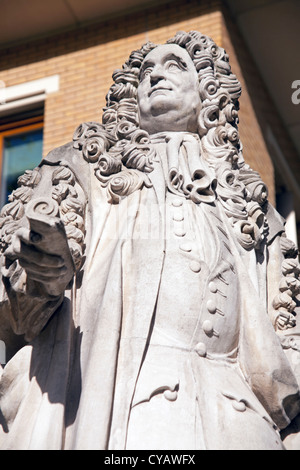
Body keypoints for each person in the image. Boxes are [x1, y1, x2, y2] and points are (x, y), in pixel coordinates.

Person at [0, 30, 300, 450]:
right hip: (131, 405)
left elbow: (290, 332)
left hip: (241, 419)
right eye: (145, 72)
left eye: (175, 65)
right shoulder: (84, 168)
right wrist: (44, 271)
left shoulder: (251, 206)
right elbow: (21, 304)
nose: (155, 76)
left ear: (207, 91)